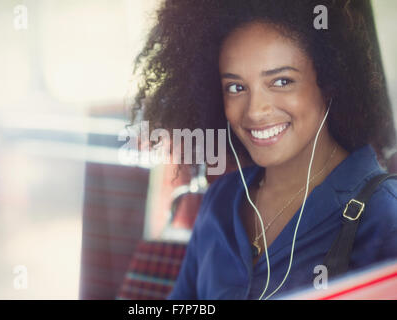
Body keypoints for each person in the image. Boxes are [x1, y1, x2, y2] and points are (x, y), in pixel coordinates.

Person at [130, 0, 397, 299]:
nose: (255, 111)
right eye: (235, 87)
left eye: (282, 81)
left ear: (329, 82)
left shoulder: (384, 214)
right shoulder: (221, 201)